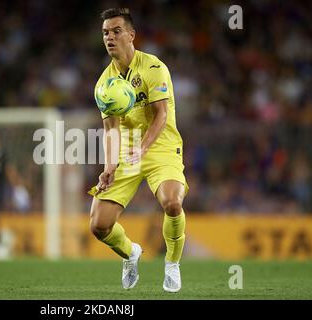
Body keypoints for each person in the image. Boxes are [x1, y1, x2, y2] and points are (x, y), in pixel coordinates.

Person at [88, 8, 188, 293]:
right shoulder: (103, 85)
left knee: (172, 202)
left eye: (116, 31)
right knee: (98, 226)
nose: (110, 37)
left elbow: (161, 115)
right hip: (127, 150)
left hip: (161, 146)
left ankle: (172, 263)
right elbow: (111, 130)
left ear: (131, 35)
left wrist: (143, 149)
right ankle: (131, 253)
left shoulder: (153, 67)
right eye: (106, 32)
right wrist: (109, 167)